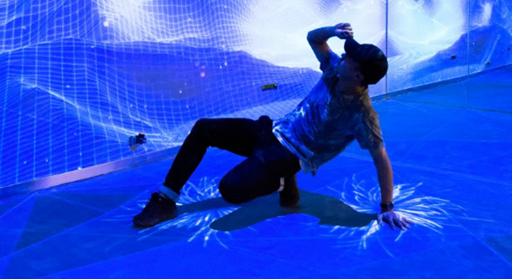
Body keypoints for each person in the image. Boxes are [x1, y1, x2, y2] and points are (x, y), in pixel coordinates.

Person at [133, 23, 411, 231]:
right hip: (271, 130)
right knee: (204, 128)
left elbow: (381, 159)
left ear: (358, 75)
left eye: (349, 58)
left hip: (290, 155)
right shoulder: (334, 69)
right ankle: (165, 200)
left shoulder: (362, 115)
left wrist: (387, 207)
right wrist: (333, 31)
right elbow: (313, 38)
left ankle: (282, 180)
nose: (342, 56)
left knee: (230, 190)